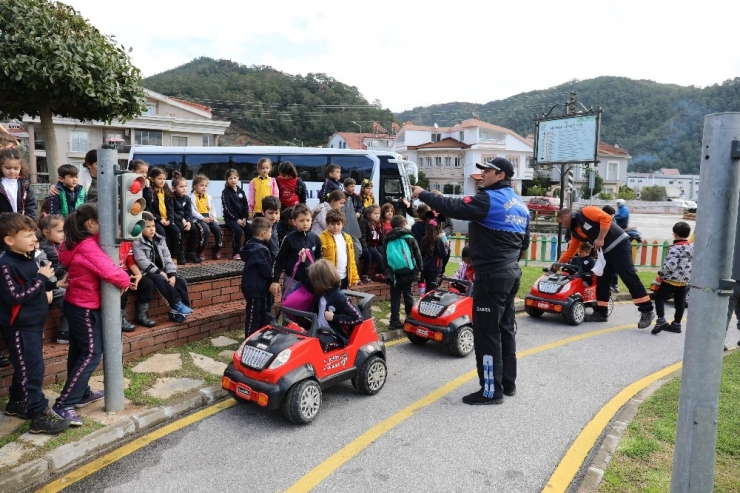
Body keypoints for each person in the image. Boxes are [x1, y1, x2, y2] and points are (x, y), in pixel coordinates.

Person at [411, 157, 529, 405]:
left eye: (487, 171)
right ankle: (508, 383)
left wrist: (423, 194)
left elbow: (453, 206)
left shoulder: (488, 199)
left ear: (501, 175)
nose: (482, 174)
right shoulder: (520, 204)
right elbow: (524, 245)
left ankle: (490, 391)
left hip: (491, 277)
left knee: (486, 334)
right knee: (505, 329)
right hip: (511, 274)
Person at [53, 204, 131, 425]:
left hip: (77, 304)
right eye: (106, 224)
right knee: (91, 353)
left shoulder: (76, 242)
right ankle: (64, 404)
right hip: (85, 307)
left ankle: (82, 393)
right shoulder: (87, 247)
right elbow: (111, 272)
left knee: (79, 352)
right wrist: (125, 279)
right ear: (92, 224)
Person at [0, 213, 71, 434]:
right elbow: (14, 296)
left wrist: (51, 284)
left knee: (25, 365)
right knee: (33, 370)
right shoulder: (5, 265)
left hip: (33, 323)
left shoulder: (26, 257)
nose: (34, 239)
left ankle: (16, 402)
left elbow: (35, 285)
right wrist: (40, 279)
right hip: (20, 327)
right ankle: (39, 414)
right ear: (9, 240)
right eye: (28, 235)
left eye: (34, 234)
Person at [556, 207, 654, 327]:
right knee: (601, 280)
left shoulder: (585, 212)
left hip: (620, 246)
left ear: (565, 216)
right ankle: (601, 313)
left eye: (561, 222)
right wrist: (557, 265)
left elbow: (606, 218)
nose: (562, 225)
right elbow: (570, 251)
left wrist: (600, 238)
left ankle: (647, 311)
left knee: (629, 277)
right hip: (606, 253)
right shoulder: (575, 231)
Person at [133, 212, 194, 324]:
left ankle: (181, 311)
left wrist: (172, 275)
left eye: (153, 226)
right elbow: (142, 262)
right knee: (159, 278)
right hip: (147, 272)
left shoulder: (160, 239)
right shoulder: (137, 242)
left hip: (162, 272)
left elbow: (167, 258)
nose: (152, 229)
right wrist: (159, 272)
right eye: (147, 227)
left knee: (180, 281)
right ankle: (176, 304)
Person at [306, 259, 363, 351]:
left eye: (313, 280)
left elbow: (358, 317)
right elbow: (304, 280)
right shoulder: (321, 292)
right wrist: (303, 262)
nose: (312, 283)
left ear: (320, 281)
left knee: (317, 346)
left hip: (335, 336)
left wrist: (334, 317)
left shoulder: (339, 297)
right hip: (318, 330)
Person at [269, 204, 323, 301]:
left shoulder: (315, 238)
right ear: (294, 221)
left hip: (310, 280)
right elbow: (279, 260)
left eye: (308, 220)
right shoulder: (289, 239)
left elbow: (319, 259)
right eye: (301, 221)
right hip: (292, 279)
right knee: (289, 306)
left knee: (307, 306)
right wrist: (275, 280)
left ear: (312, 220)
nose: (305, 223)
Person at [382, 215, 423, 331]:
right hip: (408, 271)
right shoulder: (409, 237)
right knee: (408, 295)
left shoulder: (387, 238)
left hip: (394, 273)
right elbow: (417, 254)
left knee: (395, 297)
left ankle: (394, 321)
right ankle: (410, 319)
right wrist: (420, 268)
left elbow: (384, 257)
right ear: (404, 225)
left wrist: (387, 272)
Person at [651, 221, 693, 335]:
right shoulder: (692, 247)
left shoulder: (675, 248)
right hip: (684, 280)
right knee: (680, 302)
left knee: (659, 297)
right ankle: (676, 325)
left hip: (671, 280)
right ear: (688, 234)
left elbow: (670, 265)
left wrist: (660, 273)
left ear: (675, 234)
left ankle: (661, 320)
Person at [38, 214, 70, 343]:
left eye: (65, 231)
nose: (64, 235)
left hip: (59, 282)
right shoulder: (42, 248)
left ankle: (65, 332)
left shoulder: (63, 245)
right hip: (48, 285)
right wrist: (49, 287)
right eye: (60, 231)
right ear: (46, 232)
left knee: (73, 296)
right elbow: (46, 270)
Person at [240, 218, 274, 338]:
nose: (271, 235)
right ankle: (248, 340)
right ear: (263, 233)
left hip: (258, 287)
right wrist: (272, 276)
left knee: (261, 314)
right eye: (270, 232)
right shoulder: (260, 250)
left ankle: (259, 338)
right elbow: (265, 270)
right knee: (253, 316)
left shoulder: (251, 245)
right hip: (255, 288)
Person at [144, 167, 182, 264]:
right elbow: (150, 209)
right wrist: (159, 219)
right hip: (156, 219)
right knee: (161, 233)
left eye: (164, 179)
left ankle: (174, 256)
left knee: (176, 231)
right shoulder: (150, 192)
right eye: (159, 179)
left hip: (167, 219)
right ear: (152, 179)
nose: (162, 181)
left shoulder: (166, 191)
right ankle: (162, 257)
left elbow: (171, 208)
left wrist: (170, 219)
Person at [118, 239, 156, 330]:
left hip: (126, 272)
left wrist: (138, 275)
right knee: (122, 289)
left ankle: (141, 316)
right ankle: (121, 320)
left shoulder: (127, 242)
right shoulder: (107, 242)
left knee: (148, 284)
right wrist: (125, 281)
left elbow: (130, 261)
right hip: (115, 275)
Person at [320, 209, 360, 289]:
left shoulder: (347, 238)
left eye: (338, 224)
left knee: (342, 299)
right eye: (332, 224)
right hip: (329, 278)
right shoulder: (321, 238)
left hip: (344, 277)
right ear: (327, 223)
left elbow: (351, 259)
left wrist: (354, 277)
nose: (335, 227)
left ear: (343, 224)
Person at [171, 172, 202, 265]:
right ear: (174, 188)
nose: (184, 188)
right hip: (175, 219)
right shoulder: (171, 197)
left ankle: (190, 252)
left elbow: (188, 212)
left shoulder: (187, 199)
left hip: (185, 220)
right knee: (180, 229)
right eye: (181, 187)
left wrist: (188, 221)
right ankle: (180, 253)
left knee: (194, 229)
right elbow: (172, 212)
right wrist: (182, 219)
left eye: (185, 186)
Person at [191, 174, 222, 260]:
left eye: (205, 185)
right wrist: (203, 218)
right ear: (195, 186)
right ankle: (201, 249)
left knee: (217, 229)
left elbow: (212, 208)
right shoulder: (192, 197)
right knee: (206, 229)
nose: (204, 187)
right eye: (201, 185)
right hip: (199, 218)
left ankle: (217, 247)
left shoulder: (208, 197)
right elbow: (193, 211)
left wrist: (212, 216)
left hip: (208, 217)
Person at [0, 147, 37, 219]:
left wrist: (30, 224)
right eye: (8, 168)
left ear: (21, 167)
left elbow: (31, 206)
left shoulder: (25, 184)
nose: (12, 171)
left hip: (21, 225)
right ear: (1, 166)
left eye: (16, 168)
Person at [222, 169, 251, 260]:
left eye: (235, 178)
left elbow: (245, 205)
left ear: (238, 178)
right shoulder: (225, 192)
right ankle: (236, 252)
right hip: (230, 218)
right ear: (227, 179)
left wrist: (244, 218)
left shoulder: (241, 191)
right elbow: (227, 207)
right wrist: (236, 219)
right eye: (230, 178)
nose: (233, 180)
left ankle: (246, 249)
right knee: (238, 230)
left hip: (241, 218)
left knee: (249, 229)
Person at [420, 212, 448, 292]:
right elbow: (443, 254)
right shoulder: (438, 240)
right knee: (433, 289)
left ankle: (425, 301)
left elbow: (422, 253)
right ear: (439, 227)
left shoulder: (424, 240)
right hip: (434, 268)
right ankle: (430, 302)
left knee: (428, 287)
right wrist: (446, 246)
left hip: (425, 267)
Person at [358, 204, 386, 284]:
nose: (377, 215)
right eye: (375, 213)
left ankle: (378, 273)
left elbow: (381, 240)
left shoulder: (379, 223)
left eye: (378, 213)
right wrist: (365, 248)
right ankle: (365, 275)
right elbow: (362, 237)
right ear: (369, 214)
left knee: (384, 252)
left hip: (376, 244)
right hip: (367, 244)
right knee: (376, 256)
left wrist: (380, 230)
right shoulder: (363, 222)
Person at [601, 205, 620, 293]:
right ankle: (605, 284)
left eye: (612, 216)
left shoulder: (613, 222)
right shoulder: (601, 221)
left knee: (614, 267)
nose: (612, 218)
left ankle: (614, 284)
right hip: (603, 247)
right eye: (611, 216)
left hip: (613, 247)